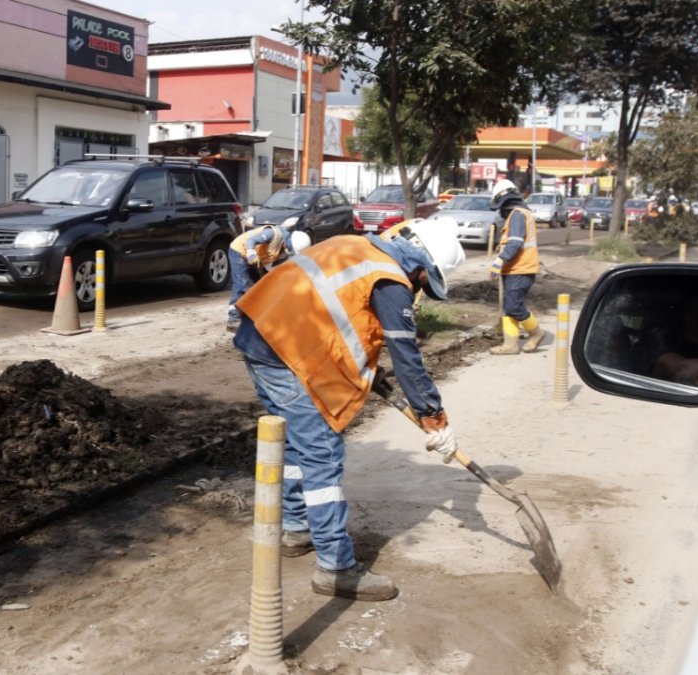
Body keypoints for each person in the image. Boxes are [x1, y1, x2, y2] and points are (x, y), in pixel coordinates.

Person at [232, 219, 465, 602]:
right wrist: (433, 417)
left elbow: (337, 313)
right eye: (425, 281)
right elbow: (407, 358)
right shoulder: (390, 280)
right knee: (322, 456)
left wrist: (371, 370)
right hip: (289, 355)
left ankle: (295, 527)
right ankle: (335, 568)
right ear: (422, 263)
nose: (419, 289)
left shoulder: (354, 246)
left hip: (259, 340)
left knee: (294, 446)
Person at [487, 179, 548, 355]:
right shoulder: (518, 214)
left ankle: (536, 333)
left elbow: (515, 242)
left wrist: (498, 263)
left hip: (521, 269)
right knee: (509, 307)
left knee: (514, 306)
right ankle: (510, 345)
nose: (500, 211)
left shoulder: (518, 214)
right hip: (515, 269)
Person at [226, 225, 311, 331]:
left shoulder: (284, 248)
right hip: (239, 251)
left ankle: (253, 317)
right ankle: (233, 318)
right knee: (242, 284)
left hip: (254, 258)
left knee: (260, 287)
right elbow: (250, 241)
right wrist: (252, 254)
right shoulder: (273, 234)